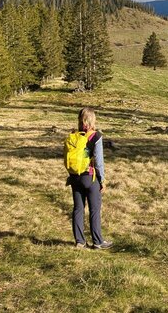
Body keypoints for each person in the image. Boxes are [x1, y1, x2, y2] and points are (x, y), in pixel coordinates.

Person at [68, 107, 113, 249]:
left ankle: (80, 241)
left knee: (78, 208)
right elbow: (99, 161)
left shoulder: (74, 135)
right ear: (92, 120)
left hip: (75, 176)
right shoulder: (96, 136)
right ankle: (98, 241)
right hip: (90, 177)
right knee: (94, 209)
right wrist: (103, 180)